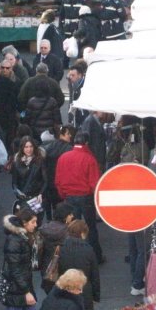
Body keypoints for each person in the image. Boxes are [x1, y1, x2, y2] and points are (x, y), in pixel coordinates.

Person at [55, 132, 104, 264]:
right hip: (85, 197)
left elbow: (58, 180)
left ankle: (73, 258)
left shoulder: (63, 158)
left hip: (69, 197)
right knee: (90, 228)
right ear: (86, 143)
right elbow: (95, 183)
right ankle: (96, 257)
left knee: (72, 228)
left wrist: (64, 195)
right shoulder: (89, 159)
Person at [2, 208, 39, 310]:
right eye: (33, 222)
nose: (35, 225)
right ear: (24, 223)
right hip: (17, 289)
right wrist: (26, 291)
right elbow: (15, 269)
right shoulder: (15, 241)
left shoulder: (21, 238)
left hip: (23, 287)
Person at [60, 220, 100, 310]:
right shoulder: (88, 249)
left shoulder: (61, 248)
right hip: (84, 292)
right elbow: (94, 275)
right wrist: (95, 296)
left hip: (65, 291)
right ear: (82, 233)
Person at [39, 202, 74, 294]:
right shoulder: (67, 233)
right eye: (70, 214)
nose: (72, 216)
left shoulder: (43, 229)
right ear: (65, 217)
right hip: (63, 273)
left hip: (47, 271)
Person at [43, 125, 76, 220]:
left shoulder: (48, 147)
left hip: (50, 184)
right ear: (62, 134)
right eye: (68, 134)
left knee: (50, 210)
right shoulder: (70, 149)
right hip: (63, 185)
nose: (70, 136)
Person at [11, 136, 46, 217]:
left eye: (31, 146)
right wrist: (19, 194)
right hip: (23, 198)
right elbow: (14, 182)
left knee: (36, 223)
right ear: (22, 148)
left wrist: (41, 193)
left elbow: (45, 180)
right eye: (26, 147)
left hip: (36, 198)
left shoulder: (40, 160)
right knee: (25, 223)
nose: (29, 149)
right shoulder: (17, 162)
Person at [67, 60, 88, 127]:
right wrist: (70, 115)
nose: (70, 77)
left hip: (84, 115)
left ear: (80, 75)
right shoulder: (71, 83)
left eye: (73, 75)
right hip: (75, 115)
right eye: (70, 75)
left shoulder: (87, 84)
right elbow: (71, 99)